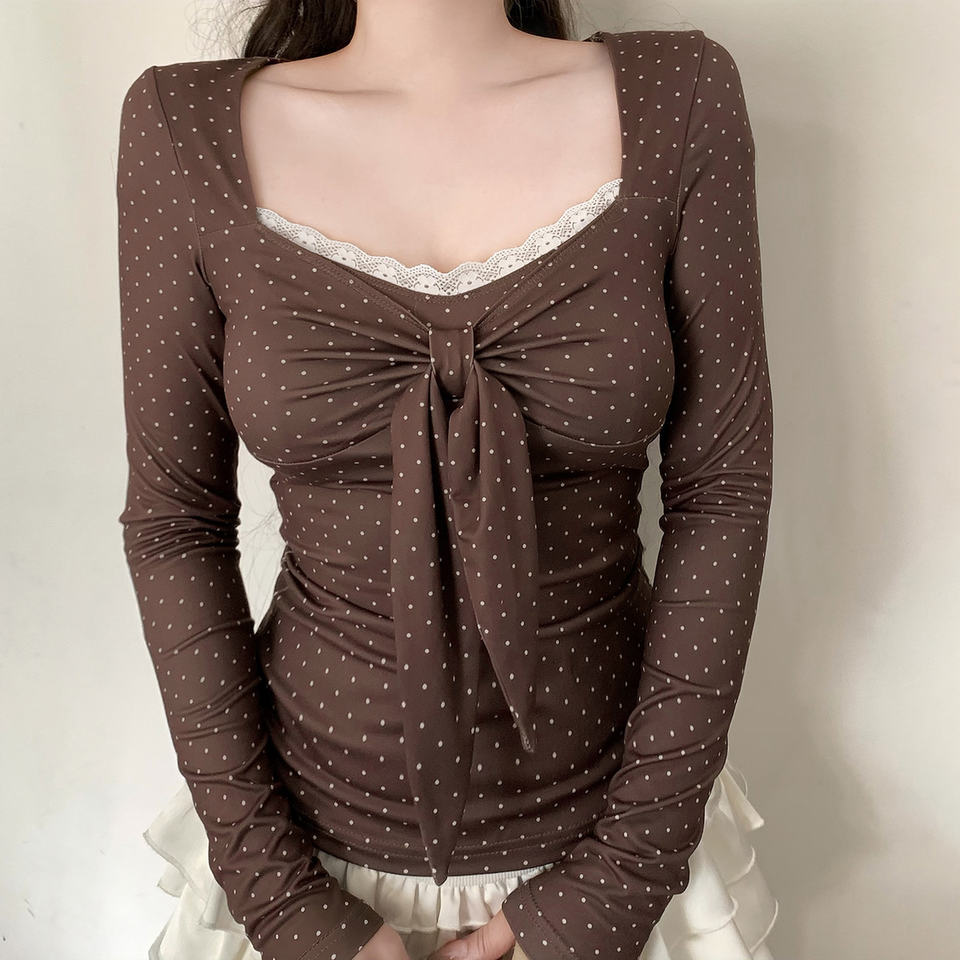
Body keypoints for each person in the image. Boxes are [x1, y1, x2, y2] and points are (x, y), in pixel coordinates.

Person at [114, 3, 778, 959]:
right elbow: (175, 521)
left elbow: (724, 490)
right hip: (300, 856)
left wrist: (620, 882)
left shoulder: (683, 99)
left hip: (625, 851)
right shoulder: (181, 134)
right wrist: (281, 899)